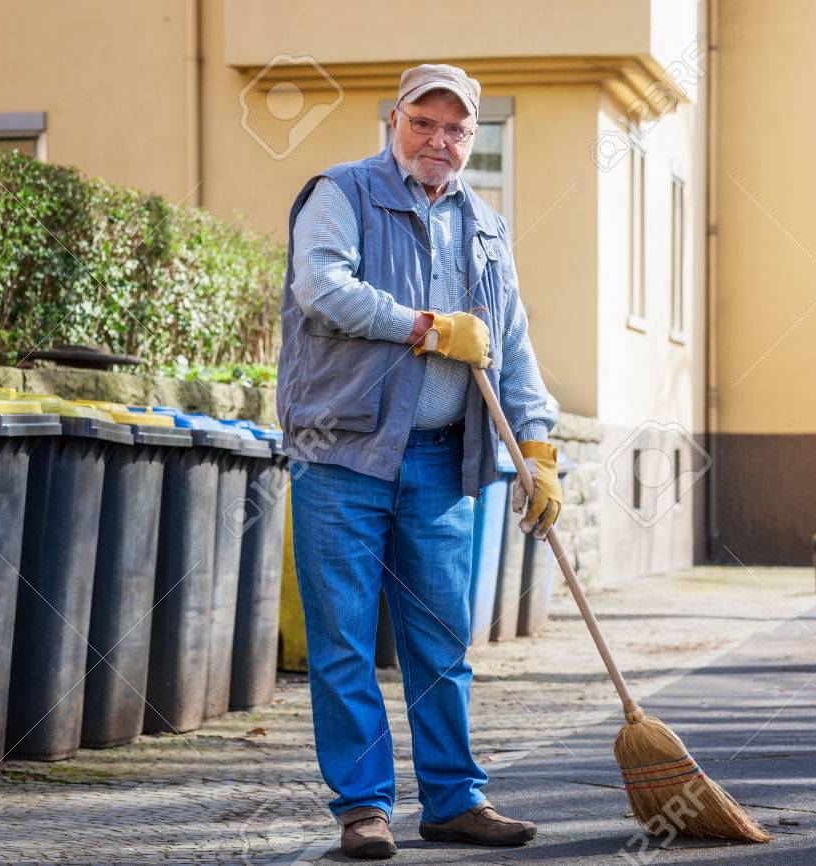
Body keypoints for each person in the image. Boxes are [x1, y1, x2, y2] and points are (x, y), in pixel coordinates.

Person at [276, 63, 562, 859]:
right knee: (342, 642)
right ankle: (363, 807)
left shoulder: (487, 225)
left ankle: (453, 800)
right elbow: (322, 288)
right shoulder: (340, 193)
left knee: (442, 640)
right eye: (424, 123)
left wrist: (539, 448)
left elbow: (512, 345)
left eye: (457, 129)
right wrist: (431, 327)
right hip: (343, 456)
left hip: (442, 462)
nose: (439, 140)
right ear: (393, 120)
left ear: (473, 138)